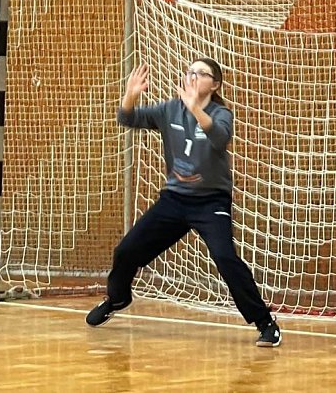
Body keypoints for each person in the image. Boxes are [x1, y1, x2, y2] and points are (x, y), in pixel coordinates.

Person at [86, 59, 282, 348]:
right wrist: (130, 94)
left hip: (210, 202)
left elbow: (220, 137)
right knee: (126, 251)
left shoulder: (220, 113)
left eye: (201, 73)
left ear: (214, 84)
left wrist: (195, 108)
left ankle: (265, 322)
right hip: (174, 201)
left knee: (225, 258)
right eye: (190, 71)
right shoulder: (169, 109)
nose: (193, 76)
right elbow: (127, 118)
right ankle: (117, 299)